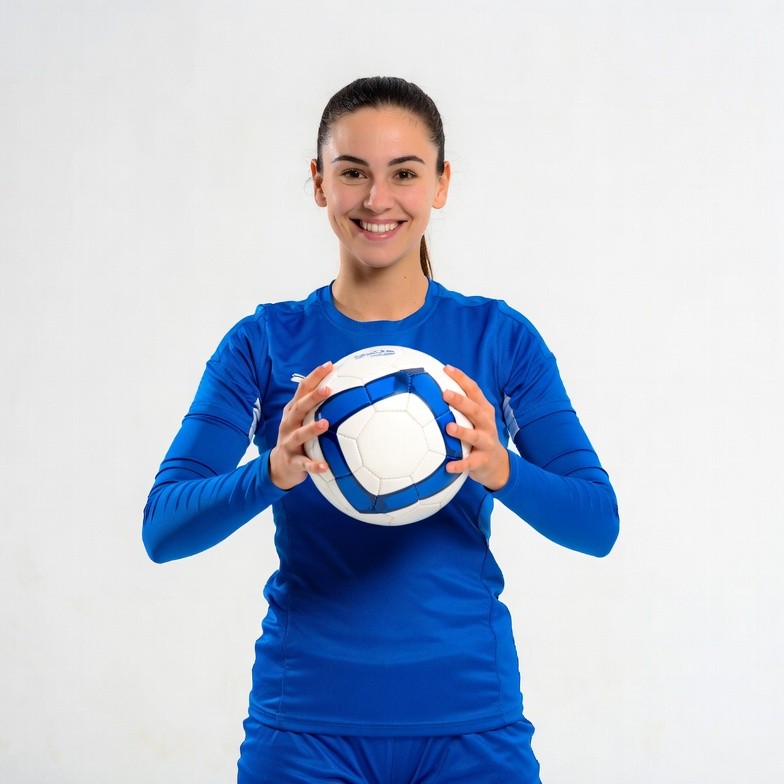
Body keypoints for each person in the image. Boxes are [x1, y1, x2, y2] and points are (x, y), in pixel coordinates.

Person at [143, 76, 619, 784]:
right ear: (319, 183)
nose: (377, 200)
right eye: (352, 173)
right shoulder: (265, 343)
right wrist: (271, 471)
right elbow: (163, 529)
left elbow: (598, 523)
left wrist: (503, 470)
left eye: (405, 173)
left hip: (471, 722)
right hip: (304, 726)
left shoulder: (498, 338)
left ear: (441, 183)